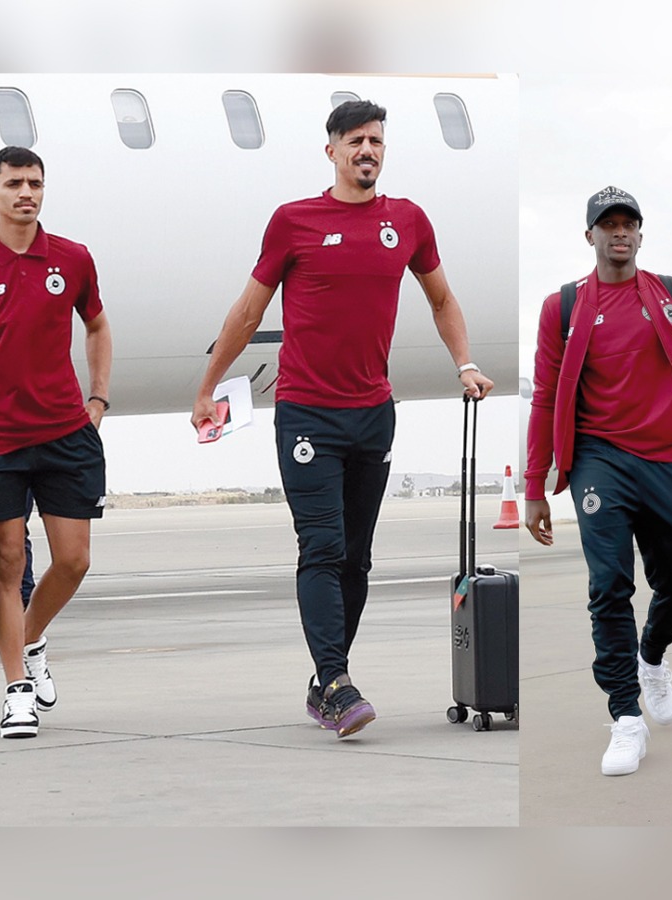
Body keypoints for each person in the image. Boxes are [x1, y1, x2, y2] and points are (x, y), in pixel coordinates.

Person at [191, 99, 493, 739]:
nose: (368, 151)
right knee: (322, 548)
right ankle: (334, 680)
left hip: (373, 415)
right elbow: (247, 312)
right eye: (356, 140)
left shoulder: (407, 221)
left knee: (357, 558)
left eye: (377, 141)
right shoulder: (294, 222)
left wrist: (464, 362)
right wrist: (208, 385)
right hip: (307, 414)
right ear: (331, 150)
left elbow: (442, 299)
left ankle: (326, 680)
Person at [524, 186, 672, 776]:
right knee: (610, 585)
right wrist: (534, 486)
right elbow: (545, 397)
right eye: (607, 224)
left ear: (640, 234)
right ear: (589, 236)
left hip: (668, 458)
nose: (619, 232)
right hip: (600, 460)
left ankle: (653, 658)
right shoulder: (562, 306)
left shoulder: (670, 295)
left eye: (629, 224)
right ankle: (624, 717)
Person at [0, 145, 112, 739]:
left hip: (66, 433)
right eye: (14, 183)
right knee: (7, 564)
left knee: (74, 560)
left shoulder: (73, 258)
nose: (26, 193)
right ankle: (16, 692)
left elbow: (96, 324)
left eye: (35, 183)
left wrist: (98, 399)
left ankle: (32, 636)